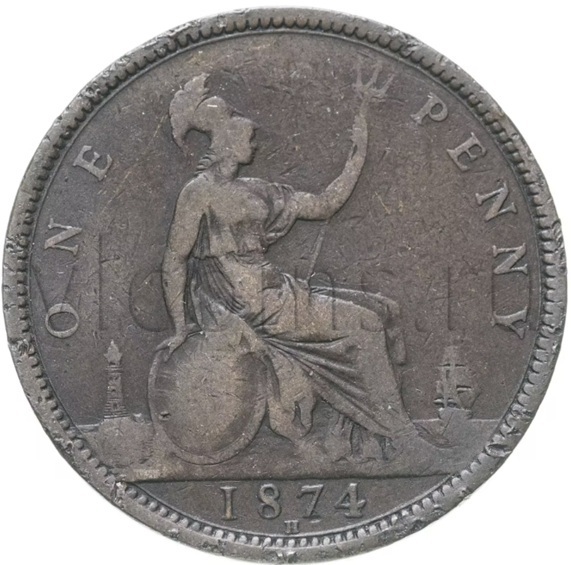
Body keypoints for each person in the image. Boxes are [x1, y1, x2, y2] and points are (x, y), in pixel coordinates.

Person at [157, 72, 420, 460]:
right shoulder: (197, 193)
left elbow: (325, 204)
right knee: (366, 324)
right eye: (248, 135)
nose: (255, 141)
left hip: (277, 294)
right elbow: (174, 260)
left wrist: (359, 150)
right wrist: (180, 326)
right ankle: (401, 436)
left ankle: (358, 439)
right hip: (247, 306)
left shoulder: (259, 190)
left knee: (382, 310)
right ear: (225, 140)